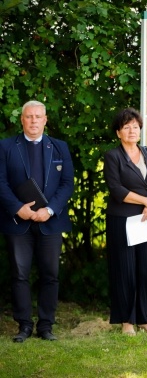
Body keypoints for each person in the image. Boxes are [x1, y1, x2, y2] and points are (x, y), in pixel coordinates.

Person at [0, 101, 74, 342]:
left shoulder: (60, 147)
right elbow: (0, 182)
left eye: (38, 116)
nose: (33, 121)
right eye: (29, 117)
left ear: (45, 120)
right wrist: (17, 208)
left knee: (50, 274)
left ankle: (46, 326)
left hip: (50, 222)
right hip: (17, 221)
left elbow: (67, 184)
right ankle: (24, 325)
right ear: (22, 120)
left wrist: (50, 210)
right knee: (20, 274)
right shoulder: (6, 147)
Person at [103, 107, 147, 336]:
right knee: (125, 271)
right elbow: (117, 189)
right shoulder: (113, 156)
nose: (131, 130)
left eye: (135, 126)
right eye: (126, 127)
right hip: (123, 220)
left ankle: (145, 319)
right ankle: (127, 321)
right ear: (118, 132)